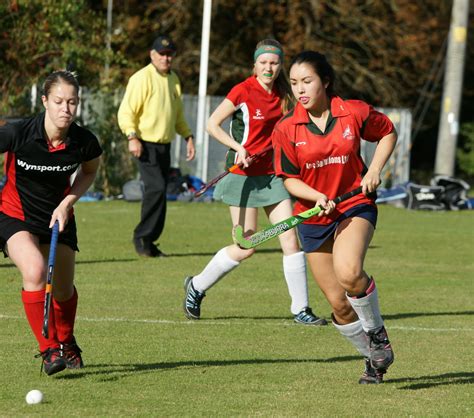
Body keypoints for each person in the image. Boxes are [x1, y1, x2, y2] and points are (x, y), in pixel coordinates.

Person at [272, 50, 397, 384]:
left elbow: (387, 132)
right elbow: (289, 178)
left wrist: (373, 169)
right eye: (294, 83)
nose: (300, 89)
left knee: (349, 271)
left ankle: (378, 336)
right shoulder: (286, 128)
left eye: (307, 81)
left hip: (354, 205)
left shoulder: (352, 112)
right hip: (313, 217)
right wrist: (317, 197)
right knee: (339, 307)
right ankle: (373, 358)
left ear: (325, 81)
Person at [183, 39, 327, 326]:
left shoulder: (286, 93)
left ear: (280, 65)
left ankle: (301, 309)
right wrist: (237, 146)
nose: (269, 68)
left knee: (289, 238)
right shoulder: (243, 91)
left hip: (273, 176)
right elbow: (212, 125)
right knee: (246, 246)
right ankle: (197, 286)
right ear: (255, 64)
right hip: (242, 177)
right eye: (263, 62)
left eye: (274, 63)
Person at [0, 70, 102, 375]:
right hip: (15, 214)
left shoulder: (83, 141)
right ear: (45, 101)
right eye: (58, 101)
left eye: (72, 102)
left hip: (58, 216)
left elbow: (89, 172)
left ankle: (67, 342)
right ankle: (49, 350)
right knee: (35, 271)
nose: (65, 109)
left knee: (62, 289)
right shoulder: (19, 133)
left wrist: (67, 202)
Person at [118, 35, 195, 257]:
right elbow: (126, 112)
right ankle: (142, 237)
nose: (166, 58)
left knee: (160, 193)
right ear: (152, 55)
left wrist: (188, 136)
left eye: (170, 54)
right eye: (161, 54)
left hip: (164, 145)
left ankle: (149, 241)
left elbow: (177, 115)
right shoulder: (141, 78)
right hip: (144, 144)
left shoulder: (174, 80)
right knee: (157, 189)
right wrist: (132, 137)